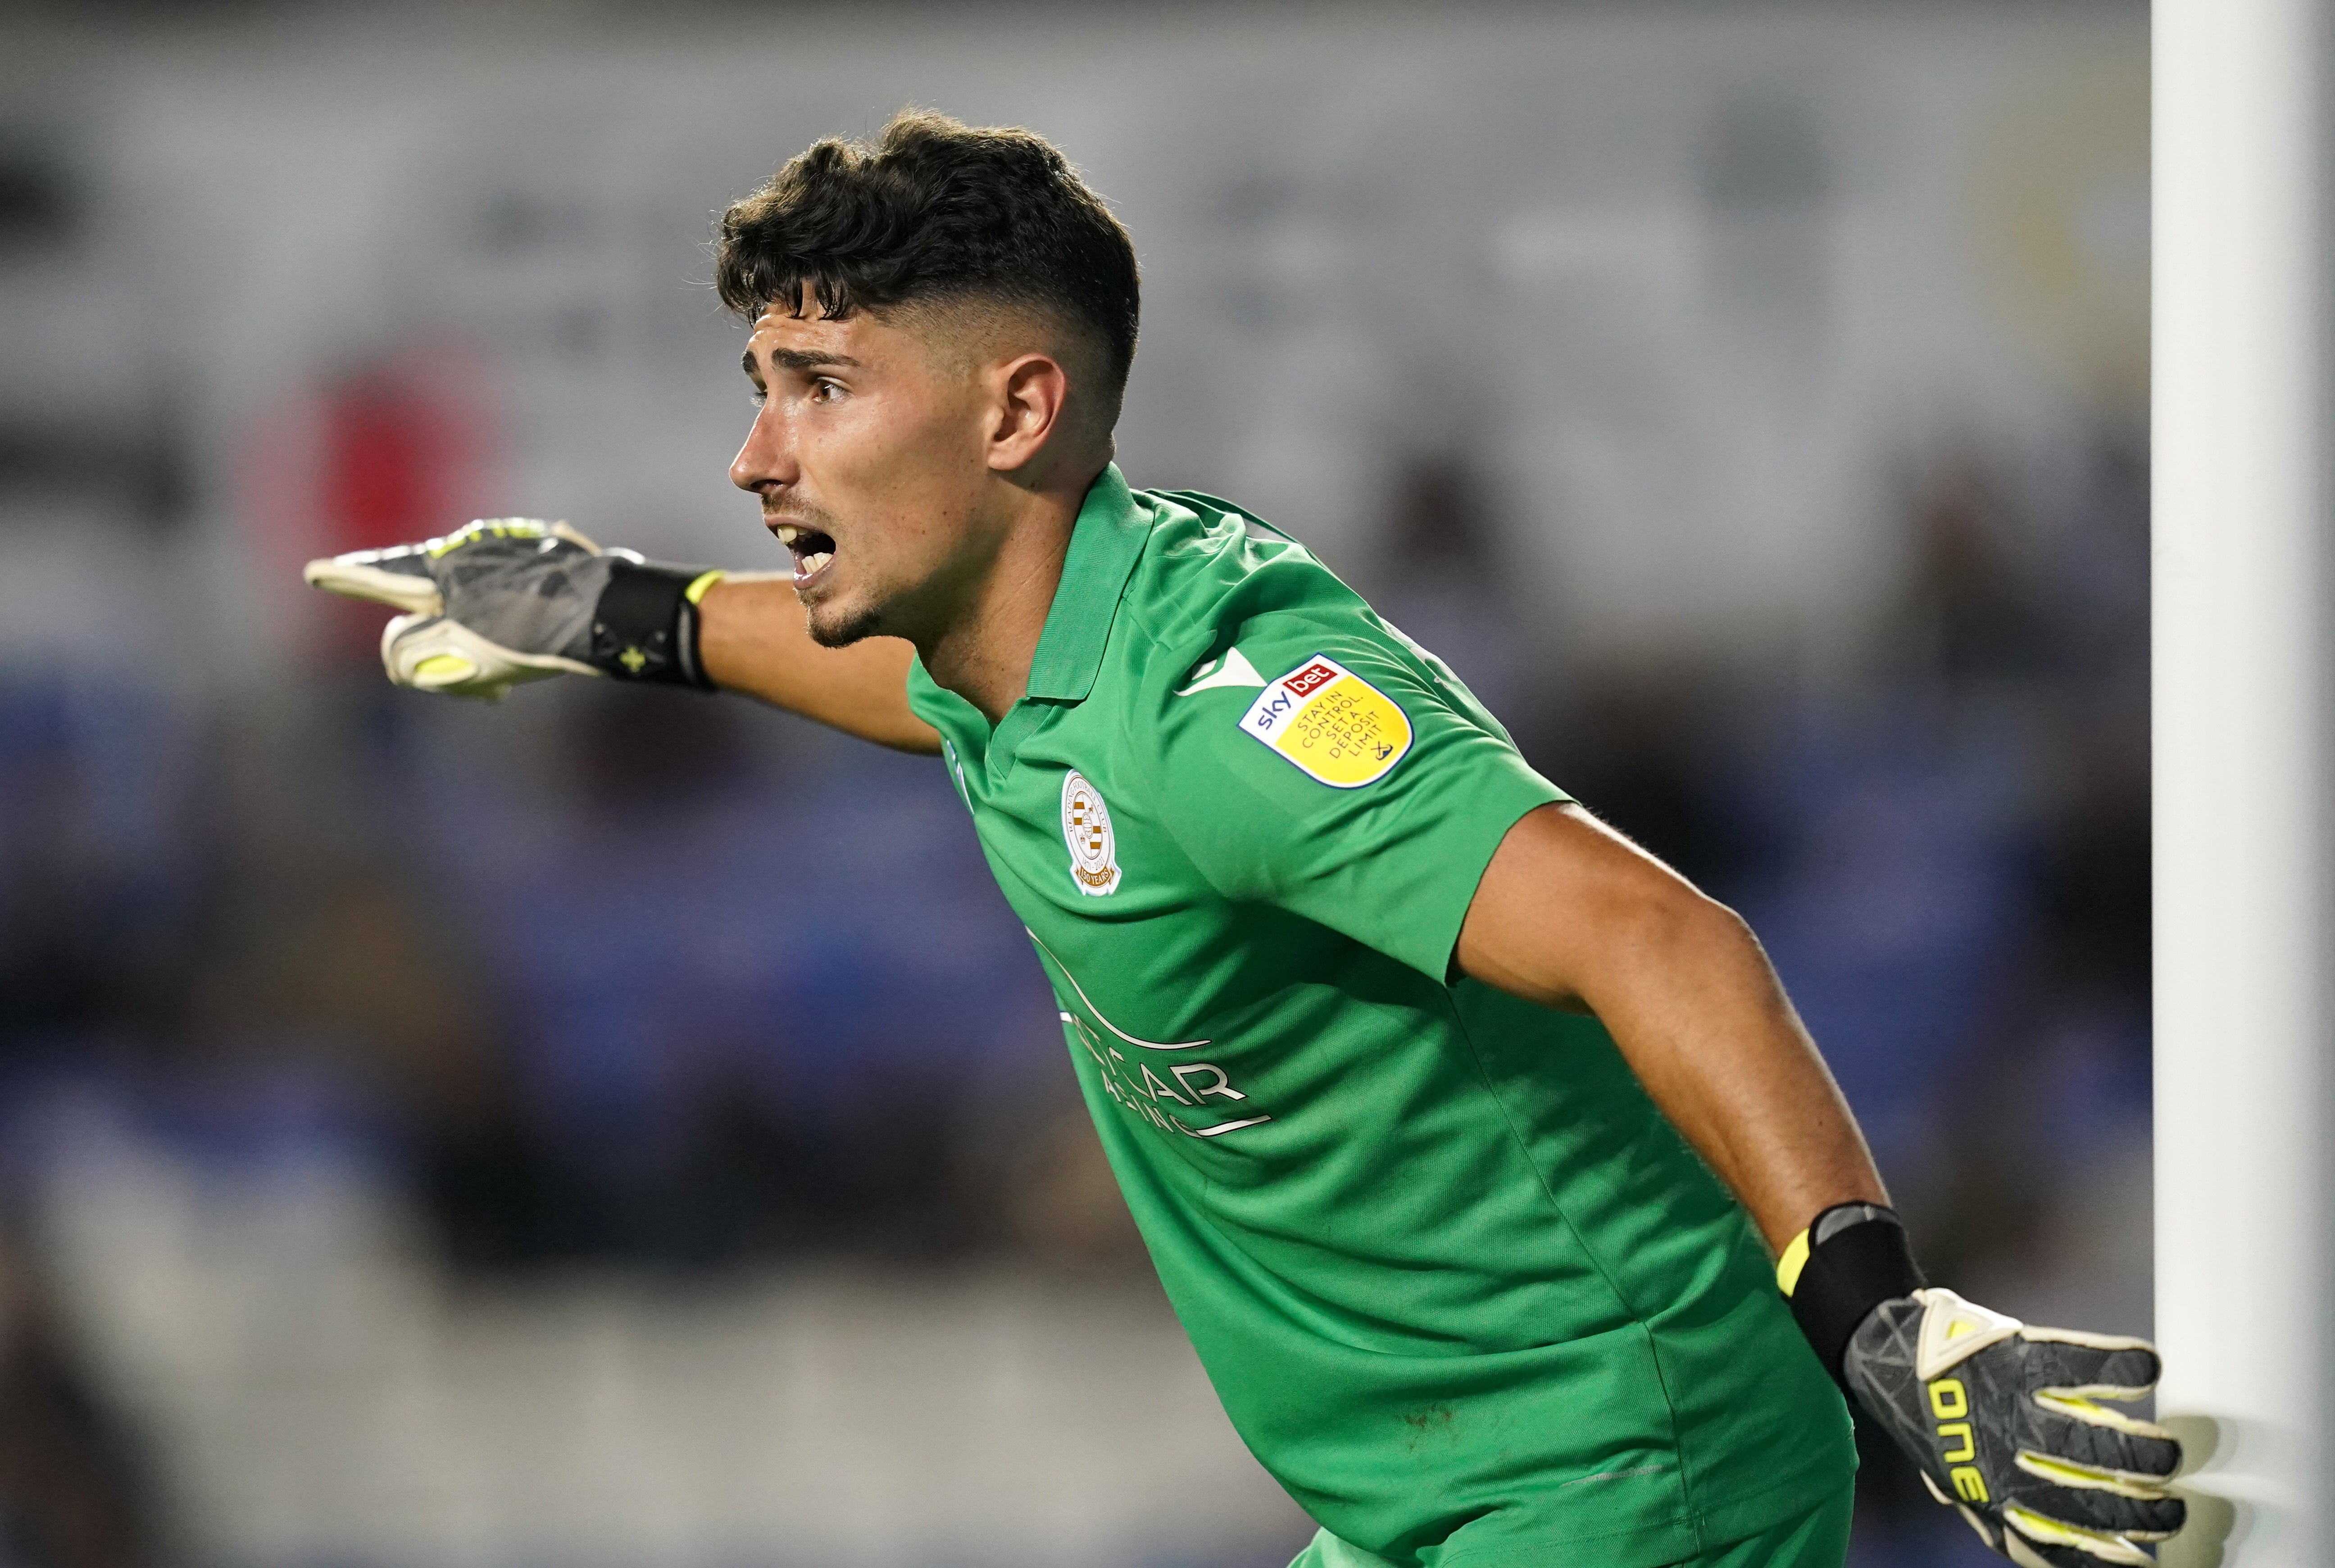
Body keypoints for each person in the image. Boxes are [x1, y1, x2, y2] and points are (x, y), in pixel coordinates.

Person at [306, 111, 2182, 1568]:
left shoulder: (1227, 713)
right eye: (760, 393)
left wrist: (1879, 1320)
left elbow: (1661, 938)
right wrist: (620, 615)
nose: (758, 457)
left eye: (824, 389)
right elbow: (909, 688)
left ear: (1019, 408)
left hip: (1617, 1468)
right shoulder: (1004, 638)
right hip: (1427, 1493)